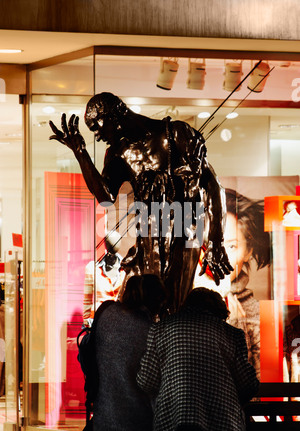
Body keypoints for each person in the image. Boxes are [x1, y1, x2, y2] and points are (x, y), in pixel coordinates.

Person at [49, 92, 232, 312]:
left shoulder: (176, 134)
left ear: (116, 115)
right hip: (148, 232)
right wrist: (80, 153)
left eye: (97, 127)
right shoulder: (118, 153)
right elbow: (106, 197)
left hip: (185, 228)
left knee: (172, 305)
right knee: (141, 306)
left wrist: (215, 241)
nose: (97, 136)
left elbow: (212, 185)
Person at [137, 287, 259, 431]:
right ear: (220, 311)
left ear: (186, 306)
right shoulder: (232, 334)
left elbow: (146, 381)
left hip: (173, 426)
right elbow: (247, 385)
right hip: (223, 429)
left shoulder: (160, 330)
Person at [194, 189, 271, 379]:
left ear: (248, 250)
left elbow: (258, 387)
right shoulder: (179, 305)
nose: (219, 258)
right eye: (210, 245)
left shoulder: (258, 315)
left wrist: (237, 330)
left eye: (231, 246)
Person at [92, 273, 167, 431]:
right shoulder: (151, 332)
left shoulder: (106, 313)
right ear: (155, 302)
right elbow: (150, 383)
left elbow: (86, 356)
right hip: (137, 428)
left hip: (103, 423)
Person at [83, 231, 125, 327]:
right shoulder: (92, 269)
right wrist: (87, 324)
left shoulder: (125, 269)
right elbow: (87, 300)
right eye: (110, 241)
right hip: (98, 323)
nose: (113, 244)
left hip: (119, 324)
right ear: (105, 244)